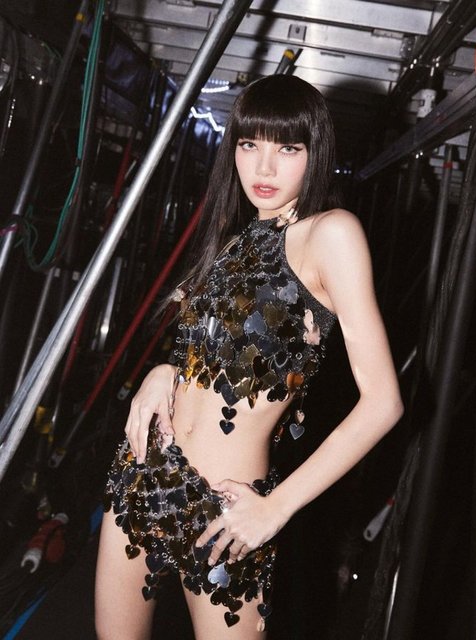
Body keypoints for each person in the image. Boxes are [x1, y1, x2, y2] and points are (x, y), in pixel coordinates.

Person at [95, 74, 403, 640]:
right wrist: (163, 373)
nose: (264, 167)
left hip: (228, 513)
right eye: (249, 144)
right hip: (144, 473)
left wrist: (275, 508)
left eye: (287, 148)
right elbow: (210, 354)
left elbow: (384, 402)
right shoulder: (236, 238)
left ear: (315, 153)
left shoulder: (330, 234)